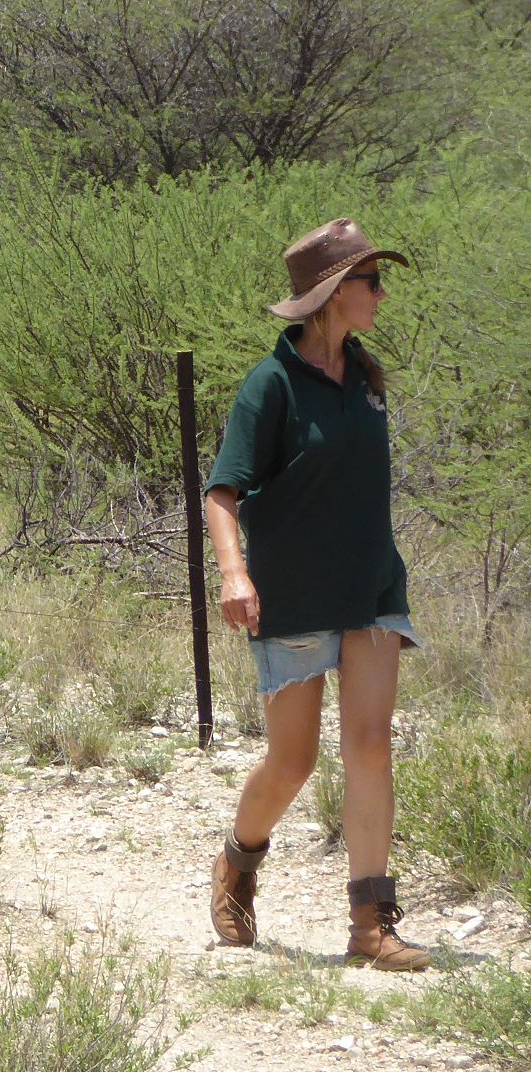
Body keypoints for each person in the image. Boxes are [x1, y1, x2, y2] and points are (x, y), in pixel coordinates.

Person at [203, 218, 431, 973]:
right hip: (292, 594)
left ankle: (372, 924)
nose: (381, 293)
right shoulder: (270, 385)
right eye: (370, 281)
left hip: (369, 587)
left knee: (370, 745)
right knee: (292, 762)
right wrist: (235, 573)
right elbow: (223, 491)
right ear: (334, 295)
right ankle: (239, 861)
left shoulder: (367, 377)